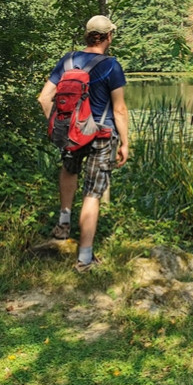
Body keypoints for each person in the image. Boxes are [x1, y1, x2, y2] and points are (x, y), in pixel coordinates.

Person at [37, 15, 129, 272]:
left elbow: (44, 99)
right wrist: (125, 143)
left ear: (87, 35)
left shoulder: (67, 60)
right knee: (92, 193)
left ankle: (63, 225)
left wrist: (61, 125)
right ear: (109, 36)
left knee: (69, 171)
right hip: (101, 134)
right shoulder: (112, 65)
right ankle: (85, 259)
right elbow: (119, 110)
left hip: (72, 134)